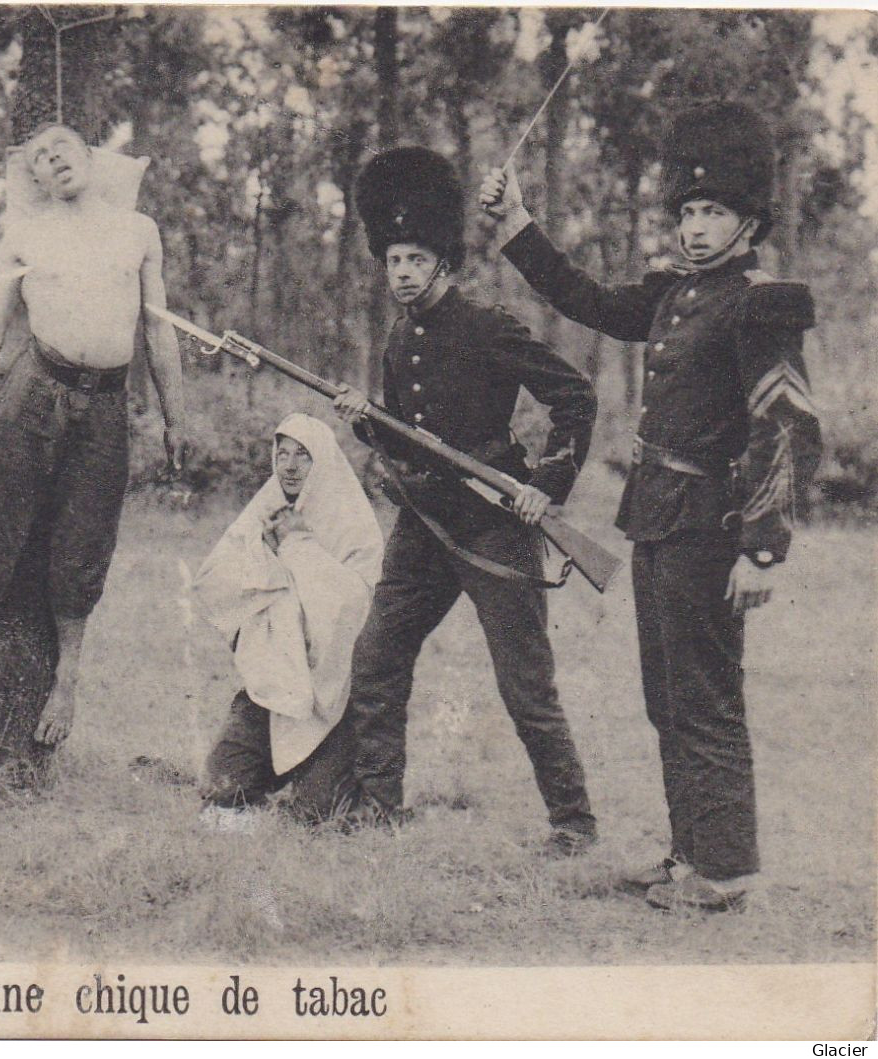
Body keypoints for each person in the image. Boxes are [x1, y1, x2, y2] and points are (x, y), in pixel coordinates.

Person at [480, 101, 823, 910]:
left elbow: (787, 427)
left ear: (748, 220)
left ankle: (725, 869)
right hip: (657, 513)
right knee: (665, 695)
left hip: (712, 523)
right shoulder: (677, 294)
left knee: (704, 695)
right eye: (688, 212)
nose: (696, 227)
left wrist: (762, 547)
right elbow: (591, 302)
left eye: (715, 213)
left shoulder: (757, 302)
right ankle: (687, 853)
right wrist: (520, 225)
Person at [328, 146, 599, 853]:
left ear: (444, 262)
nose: (403, 273)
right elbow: (404, 438)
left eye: (416, 259)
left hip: (494, 524)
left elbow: (575, 397)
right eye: (392, 260)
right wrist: (365, 421)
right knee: (378, 655)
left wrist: (546, 486)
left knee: (524, 683)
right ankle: (378, 805)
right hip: (424, 526)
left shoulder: (489, 327)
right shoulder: (398, 337)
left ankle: (573, 824)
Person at [0, 121, 186, 747]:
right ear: (34, 178)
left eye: (62, 148)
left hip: (105, 407)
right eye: (40, 157)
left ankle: (67, 679)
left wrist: (178, 418)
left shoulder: (138, 231)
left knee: (85, 541)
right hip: (33, 393)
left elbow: (159, 331)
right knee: (0, 523)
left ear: (90, 160)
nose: (53, 160)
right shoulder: (26, 233)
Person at [194, 413, 383, 827]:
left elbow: (350, 613)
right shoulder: (267, 507)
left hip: (332, 697)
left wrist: (298, 546)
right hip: (272, 690)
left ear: (324, 463)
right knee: (219, 789)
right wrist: (264, 559)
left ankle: (340, 776)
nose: (291, 467)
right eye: (283, 455)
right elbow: (215, 582)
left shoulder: (354, 525)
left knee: (316, 816)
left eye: (303, 456)